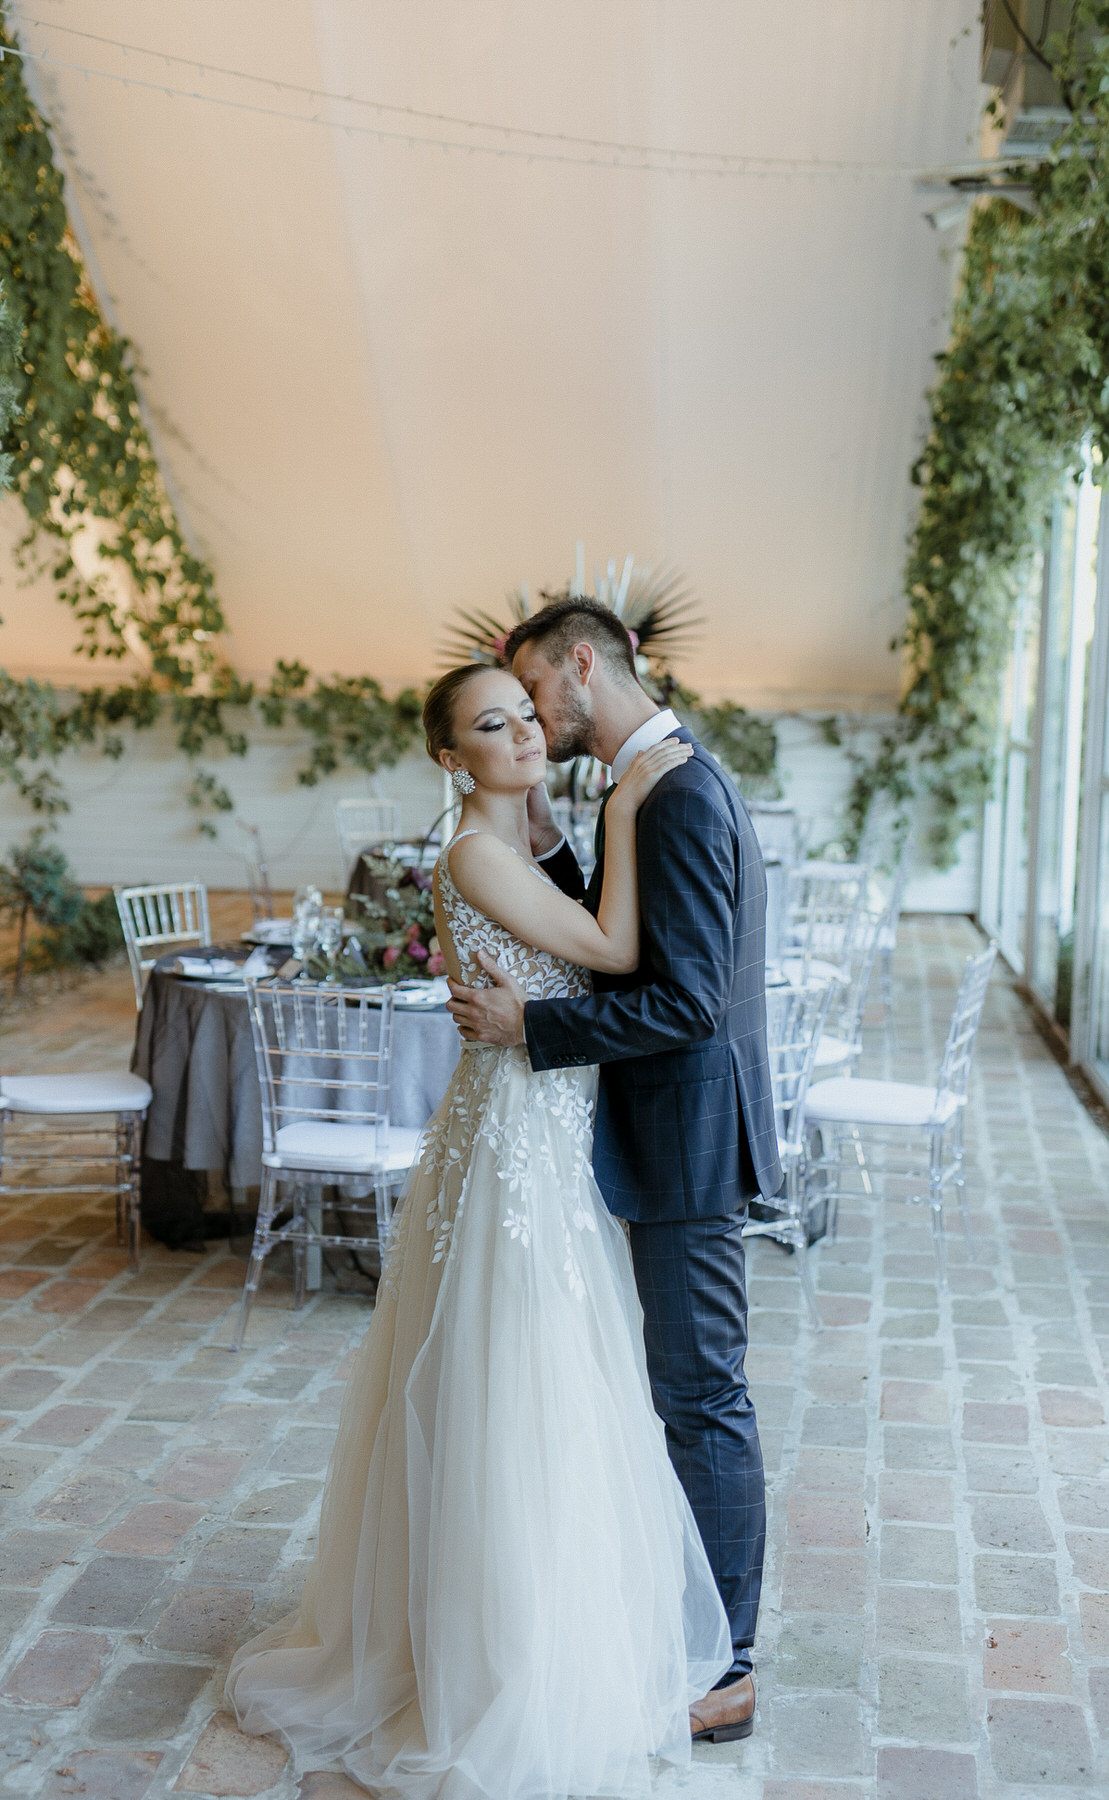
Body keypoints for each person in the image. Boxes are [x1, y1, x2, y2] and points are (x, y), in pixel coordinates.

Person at [226, 662, 733, 1799]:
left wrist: (587, 824)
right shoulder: (473, 855)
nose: (524, 735)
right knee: (520, 1372)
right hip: (515, 1137)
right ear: (453, 758)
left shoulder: (530, 838)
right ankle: (496, 1657)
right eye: (493, 726)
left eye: (526, 716)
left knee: (551, 1375)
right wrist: (633, 803)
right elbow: (613, 951)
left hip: (544, 1125)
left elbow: (570, 957)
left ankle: (545, 1632)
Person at [448, 598, 783, 1746]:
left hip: (688, 1143)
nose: (533, 719)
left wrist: (530, 1030)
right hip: (668, 1133)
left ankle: (727, 1670)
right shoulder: (645, 782)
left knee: (701, 1397)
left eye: (536, 693)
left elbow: (685, 1001)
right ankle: (681, 1633)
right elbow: (606, 935)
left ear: (581, 664)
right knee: (683, 1394)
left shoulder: (677, 791)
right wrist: (550, 841)